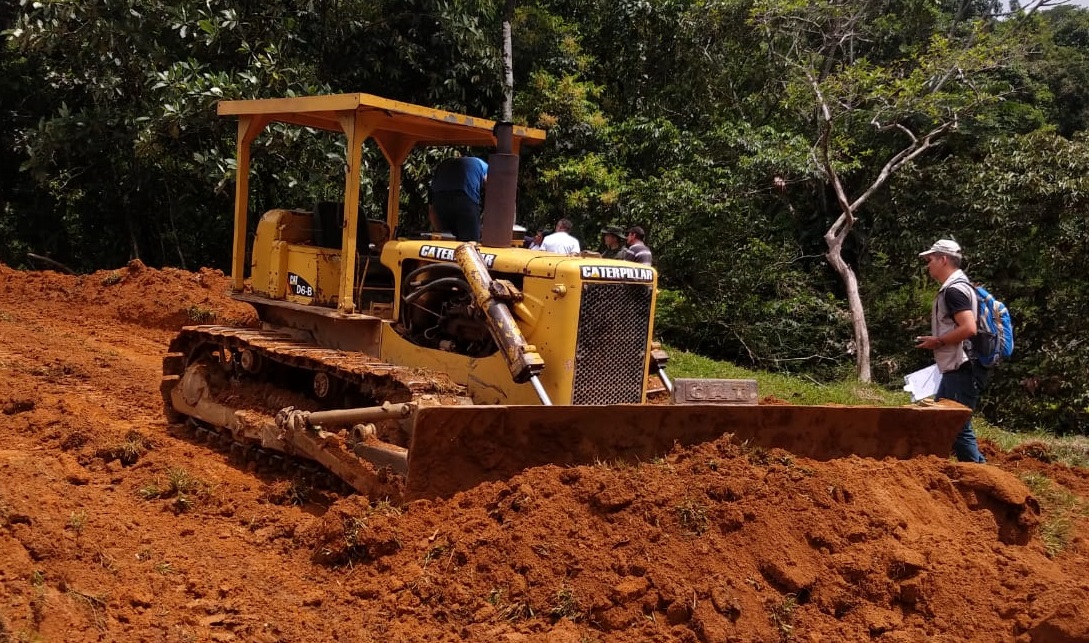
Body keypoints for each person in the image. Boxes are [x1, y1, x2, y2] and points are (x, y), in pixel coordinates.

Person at [915, 238, 989, 463]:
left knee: (954, 426)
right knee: (943, 421)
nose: (928, 266)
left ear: (943, 259)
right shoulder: (960, 286)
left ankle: (982, 478)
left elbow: (969, 327)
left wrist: (938, 341)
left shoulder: (954, 291)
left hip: (963, 366)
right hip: (957, 367)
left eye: (930, 260)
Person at [429, 154, 488, 241]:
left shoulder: (445, 164)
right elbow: (493, 190)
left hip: (439, 199)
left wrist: (439, 231)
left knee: (446, 241)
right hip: (464, 196)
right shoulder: (486, 167)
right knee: (470, 243)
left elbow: (431, 208)